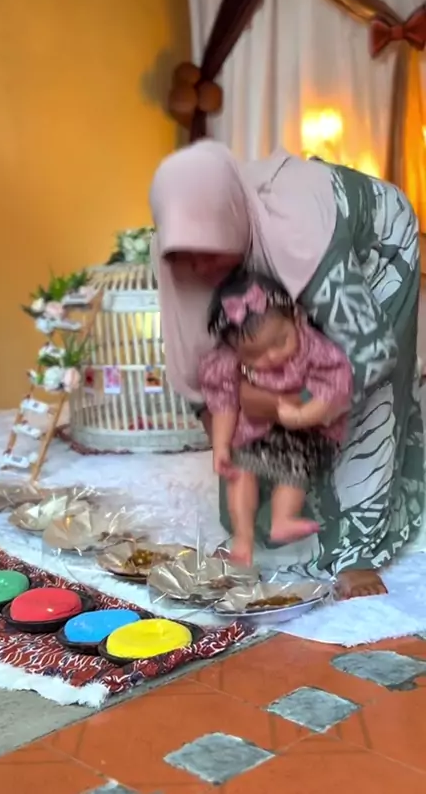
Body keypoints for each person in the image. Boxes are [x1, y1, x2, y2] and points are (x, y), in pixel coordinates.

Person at [150, 140, 425, 600]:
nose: (197, 266)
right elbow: (204, 375)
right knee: (256, 409)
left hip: (375, 249)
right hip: (284, 267)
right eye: (185, 254)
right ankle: (261, 538)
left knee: (358, 393)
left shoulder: (299, 228)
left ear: (230, 220)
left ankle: (355, 551)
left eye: (207, 249)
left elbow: (370, 352)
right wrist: (234, 433)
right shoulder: (175, 250)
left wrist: (294, 409)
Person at [198, 266, 352, 565]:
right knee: (239, 471)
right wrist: (221, 445)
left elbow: (335, 386)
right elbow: (224, 403)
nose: (271, 357)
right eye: (253, 355)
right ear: (233, 348)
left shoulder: (313, 347)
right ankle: (242, 539)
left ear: (296, 317)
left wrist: (304, 415)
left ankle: (283, 518)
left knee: (294, 465)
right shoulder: (227, 359)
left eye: (280, 342)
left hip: (305, 430)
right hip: (255, 429)